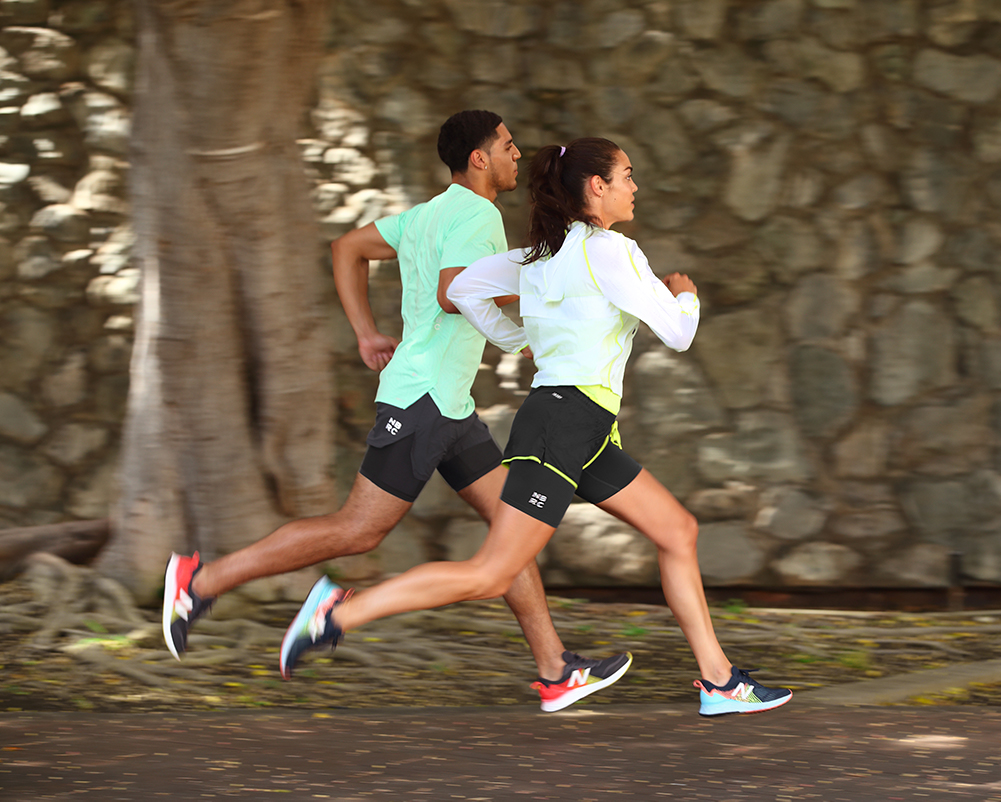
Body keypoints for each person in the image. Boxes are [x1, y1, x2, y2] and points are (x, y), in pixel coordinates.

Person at [279, 137, 793, 716]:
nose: (634, 186)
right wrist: (685, 296)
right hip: (562, 427)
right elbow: (677, 333)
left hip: (582, 426)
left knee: (677, 530)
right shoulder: (612, 251)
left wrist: (515, 340)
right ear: (596, 188)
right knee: (492, 572)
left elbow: (463, 291)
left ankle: (720, 684)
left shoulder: (540, 255)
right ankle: (337, 614)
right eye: (627, 175)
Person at [161, 112, 632, 713]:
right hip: (425, 401)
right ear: (480, 159)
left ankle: (556, 667)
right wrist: (553, 297)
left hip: (449, 406)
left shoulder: (425, 214)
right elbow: (452, 289)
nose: (519, 156)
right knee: (358, 529)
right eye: (509, 147)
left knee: (508, 535)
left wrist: (365, 333)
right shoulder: (476, 213)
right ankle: (199, 583)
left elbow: (347, 247)